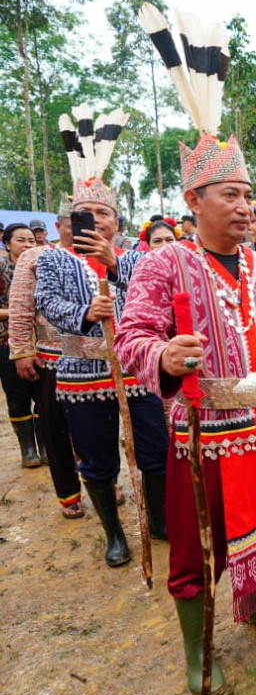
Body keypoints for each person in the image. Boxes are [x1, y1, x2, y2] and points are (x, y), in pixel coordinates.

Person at [116, 121, 256, 695]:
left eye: (248, 194)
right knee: (197, 542)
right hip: (206, 433)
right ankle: (196, 650)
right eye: (230, 193)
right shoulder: (164, 265)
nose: (244, 206)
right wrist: (164, 353)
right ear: (193, 201)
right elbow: (132, 337)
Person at [36, 178, 171, 564]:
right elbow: (45, 300)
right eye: (86, 214)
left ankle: (159, 522)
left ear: (118, 221)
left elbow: (157, 293)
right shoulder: (51, 258)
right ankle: (114, 533)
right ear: (70, 220)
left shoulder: (139, 257)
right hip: (81, 370)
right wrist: (84, 314)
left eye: (103, 213)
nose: (94, 220)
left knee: (155, 449)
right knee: (96, 458)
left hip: (135, 368)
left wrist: (114, 264)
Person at [7, 200, 85, 517]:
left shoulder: (100, 256)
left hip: (95, 361)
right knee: (55, 427)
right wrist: (22, 350)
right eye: (74, 223)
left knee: (96, 427)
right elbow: (22, 306)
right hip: (52, 358)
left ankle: (101, 480)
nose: (82, 230)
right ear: (59, 226)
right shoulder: (34, 257)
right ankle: (69, 494)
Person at [0, 224, 43, 467]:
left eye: (31, 241)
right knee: (17, 394)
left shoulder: (42, 266)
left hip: (42, 342)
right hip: (7, 342)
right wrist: (19, 312)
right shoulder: (1, 267)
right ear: (7, 243)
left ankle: (45, 446)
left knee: (43, 394)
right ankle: (28, 449)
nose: (27, 245)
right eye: (20, 240)